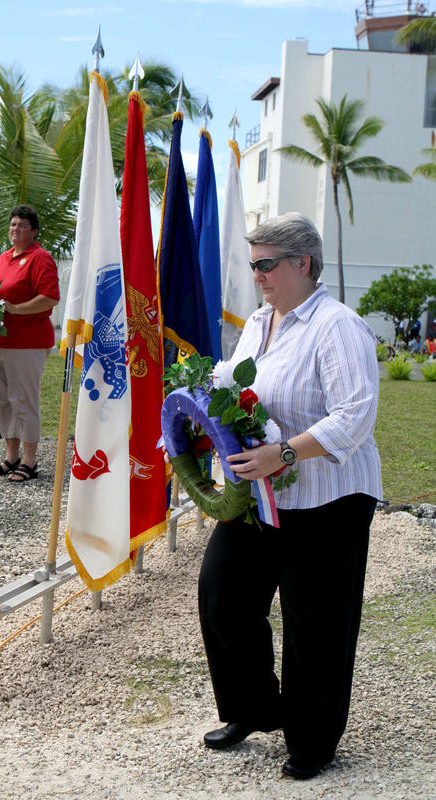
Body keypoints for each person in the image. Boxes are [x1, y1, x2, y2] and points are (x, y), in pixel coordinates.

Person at [197, 213, 382, 780]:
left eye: (266, 263)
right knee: (222, 595)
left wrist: (287, 453)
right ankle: (255, 709)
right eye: (253, 264)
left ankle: (312, 739)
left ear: (303, 263)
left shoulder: (338, 326)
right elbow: (232, 385)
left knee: (316, 621)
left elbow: (356, 415)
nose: (257, 274)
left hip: (329, 497)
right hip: (260, 493)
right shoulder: (258, 321)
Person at [0, 205, 60, 482]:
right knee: (1, 400)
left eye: (23, 226)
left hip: (27, 343)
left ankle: (29, 460)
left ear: (34, 232)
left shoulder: (40, 258)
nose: (16, 228)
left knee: (23, 400)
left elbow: (50, 297)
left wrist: (16, 309)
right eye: (13, 224)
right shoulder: (3, 258)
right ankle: (11, 456)